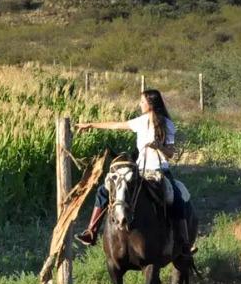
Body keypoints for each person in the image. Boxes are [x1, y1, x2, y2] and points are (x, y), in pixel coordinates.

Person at [75, 89, 191, 245]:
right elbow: (116, 125)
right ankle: (91, 231)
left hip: (159, 171)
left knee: (176, 199)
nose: (140, 104)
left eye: (142, 101)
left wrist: (159, 147)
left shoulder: (167, 124)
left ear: (151, 104)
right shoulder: (140, 122)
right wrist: (91, 124)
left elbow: (170, 153)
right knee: (104, 190)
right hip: (138, 171)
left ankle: (183, 243)